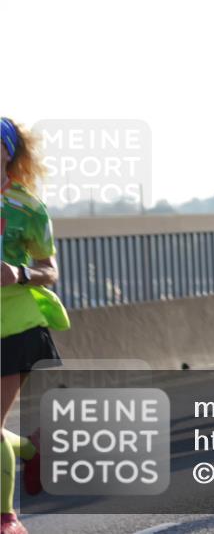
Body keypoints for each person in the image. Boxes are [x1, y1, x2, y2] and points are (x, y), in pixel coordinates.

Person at [2, 117, 71, 534]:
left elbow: (50, 269)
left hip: (15, 326)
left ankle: (8, 518)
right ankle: (30, 449)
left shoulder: (27, 207)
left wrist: (19, 273)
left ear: (7, 151)